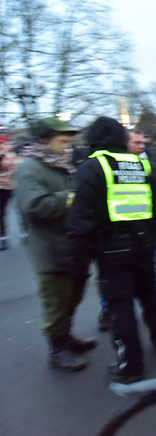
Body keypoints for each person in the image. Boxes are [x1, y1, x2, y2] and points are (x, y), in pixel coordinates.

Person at [66, 116, 156, 384]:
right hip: (143, 244)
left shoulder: (92, 168)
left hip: (111, 251)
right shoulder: (139, 164)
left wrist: (76, 263)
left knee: (120, 308)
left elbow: (81, 221)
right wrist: (150, 238)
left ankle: (131, 365)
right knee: (150, 293)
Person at [14, 117, 97, 372]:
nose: (68, 146)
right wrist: (71, 197)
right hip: (51, 250)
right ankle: (57, 350)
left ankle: (66, 336)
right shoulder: (30, 168)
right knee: (56, 301)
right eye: (63, 141)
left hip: (72, 246)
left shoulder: (59, 164)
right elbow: (34, 206)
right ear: (44, 140)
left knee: (72, 296)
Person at [0, 129, 20, 250]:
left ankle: (26, 230)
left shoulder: (10, 148)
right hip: (2, 186)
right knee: (1, 212)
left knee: (21, 207)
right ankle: (3, 238)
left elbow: (16, 164)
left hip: (12, 183)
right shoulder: (9, 148)